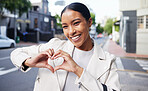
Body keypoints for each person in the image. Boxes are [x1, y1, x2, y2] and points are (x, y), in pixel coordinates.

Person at [11, 2, 120, 91]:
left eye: (76, 23)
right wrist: (29, 62)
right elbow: (16, 53)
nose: (71, 31)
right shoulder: (54, 46)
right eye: (65, 26)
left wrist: (78, 70)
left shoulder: (108, 61)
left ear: (89, 22)